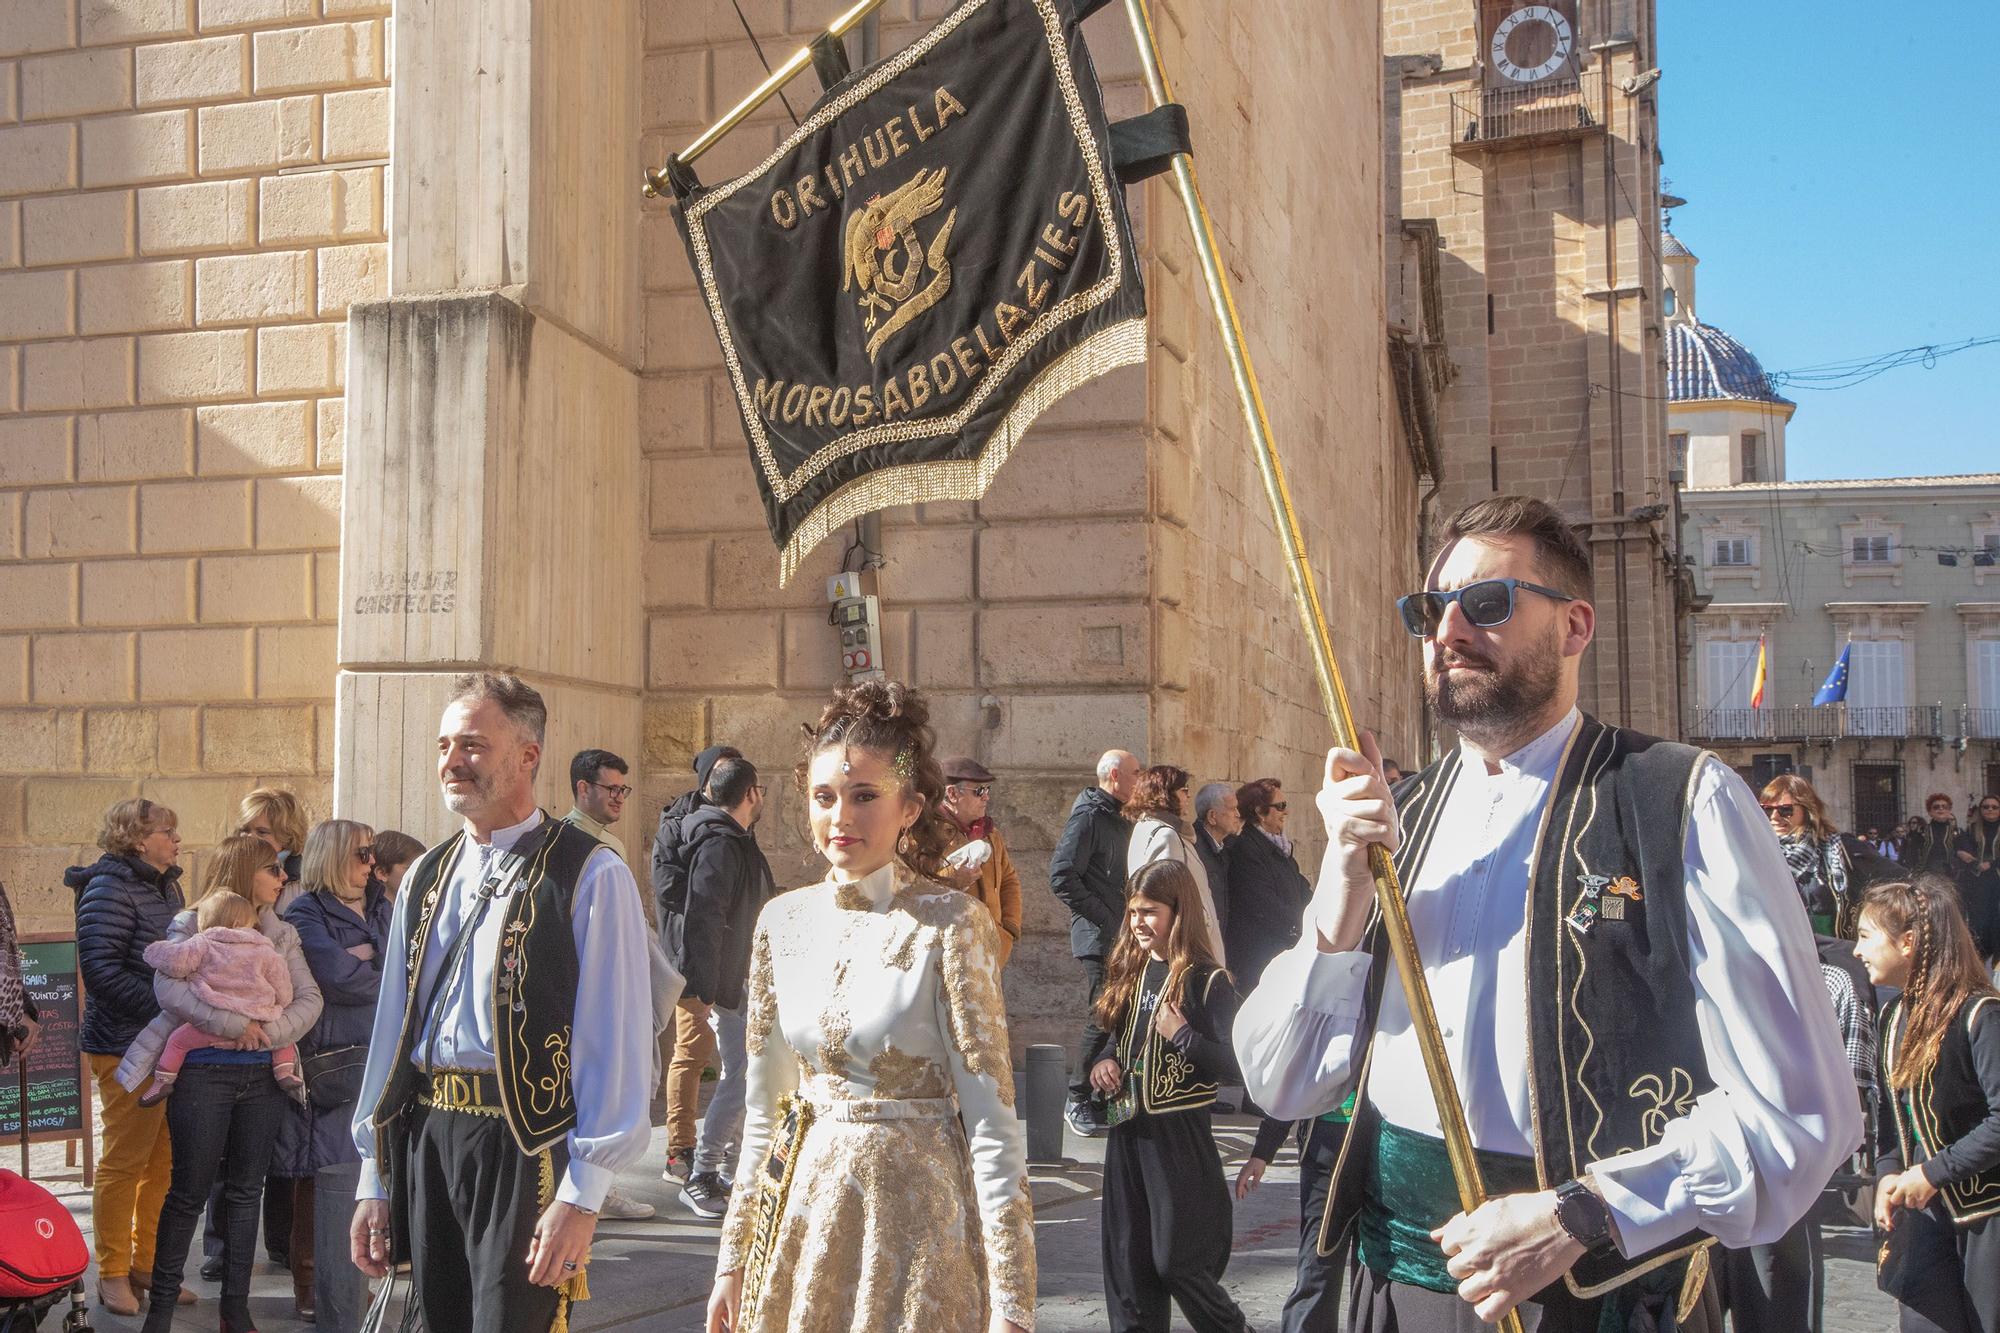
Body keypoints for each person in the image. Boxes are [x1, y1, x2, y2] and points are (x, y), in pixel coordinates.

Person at [1234, 494, 1860, 1331]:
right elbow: (1283, 1077)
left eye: (1485, 603)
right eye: (1429, 608)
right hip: (1395, 1295)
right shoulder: (1399, 818)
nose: (1447, 629)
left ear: (1574, 626)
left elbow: (1804, 1115)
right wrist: (1345, 883)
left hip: (1596, 1301)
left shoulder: (1680, 800)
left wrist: (1583, 1214)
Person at [703, 681, 1033, 1333]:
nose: (840, 818)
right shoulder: (780, 922)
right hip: (805, 1230)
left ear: (909, 807)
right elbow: (767, 1114)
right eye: (824, 797)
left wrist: (1013, 1305)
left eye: (863, 796)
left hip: (922, 1243)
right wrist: (733, 1259)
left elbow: (993, 1122)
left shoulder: (953, 924)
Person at [347, 674, 653, 1333]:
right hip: (430, 1133)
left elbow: (615, 1040)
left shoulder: (590, 872)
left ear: (527, 756)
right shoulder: (425, 876)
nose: (452, 761)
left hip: (527, 1147)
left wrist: (585, 1193)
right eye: (444, 744)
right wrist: (374, 1175)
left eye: (474, 745)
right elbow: (392, 1034)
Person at [124, 833, 323, 1331]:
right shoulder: (191, 922)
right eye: (272, 870)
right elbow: (167, 987)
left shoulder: (281, 931)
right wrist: (237, 1026)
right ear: (243, 872)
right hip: (202, 1075)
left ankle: (236, 1308)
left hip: (262, 1077)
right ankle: (162, 1311)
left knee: (245, 1193)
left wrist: (266, 1034)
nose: (283, 878)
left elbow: (309, 998)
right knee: (188, 1191)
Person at [1086, 860, 1247, 1333]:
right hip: (1128, 1132)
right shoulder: (1132, 973)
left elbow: (1239, 1063)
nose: (1138, 923)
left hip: (1179, 1140)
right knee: (1127, 1265)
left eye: (1150, 911)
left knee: (1178, 1260)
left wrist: (1184, 1037)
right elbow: (1115, 1040)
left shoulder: (1208, 980)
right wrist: (1103, 1064)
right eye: (1133, 911)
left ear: (1179, 912)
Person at [1860, 878, 2000, 1332]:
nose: (1857, 951)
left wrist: (1932, 1172)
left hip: (1987, 1218)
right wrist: (1885, 1173)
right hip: (1923, 1214)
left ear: (1908, 942)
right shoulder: (1891, 1014)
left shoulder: (1981, 1015)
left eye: (1865, 936)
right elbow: (1890, 1121)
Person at [67, 797, 188, 1318]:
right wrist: (168, 1006)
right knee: (123, 1161)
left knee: (162, 1159)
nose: (177, 840)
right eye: (168, 831)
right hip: (124, 1045)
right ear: (139, 839)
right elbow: (100, 971)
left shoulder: (165, 884)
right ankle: (111, 1273)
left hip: (163, 1042)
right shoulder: (109, 886)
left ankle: (146, 1264)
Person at [284, 817, 394, 1324]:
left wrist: (374, 964)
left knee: (365, 1173)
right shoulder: (306, 911)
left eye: (372, 853)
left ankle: (354, 1278)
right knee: (322, 1174)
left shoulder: (379, 904)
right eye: (361, 854)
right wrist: (385, 974)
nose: (372, 863)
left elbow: (407, 962)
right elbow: (338, 976)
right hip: (334, 1057)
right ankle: (312, 1281)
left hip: (379, 1050)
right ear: (331, 858)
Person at [557, 746, 660, 1223]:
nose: (620, 798)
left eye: (624, 789)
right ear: (583, 789)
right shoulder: (569, 844)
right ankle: (594, 1187)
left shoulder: (605, 844)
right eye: (610, 788)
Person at [675, 755, 776, 1220]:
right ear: (751, 794)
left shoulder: (730, 837)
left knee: (751, 1072)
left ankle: (731, 1167)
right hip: (729, 984)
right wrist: (709, 987)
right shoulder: (719, 842)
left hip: (735, 979)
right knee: (744, 1073)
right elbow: (705, 916)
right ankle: (704, 1172)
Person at [656, 743, 743, 1181]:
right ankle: (680, 1150)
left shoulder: (733, 822)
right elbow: (672, 895)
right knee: (691, 1053)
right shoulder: (677, 824)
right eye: (723, 771)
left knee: (736, 1059)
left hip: (733, 960)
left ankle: (728, 1148)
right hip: (692, 957)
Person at [134, 892, 305, 1105]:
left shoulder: (203, 943)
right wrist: (280, 1004)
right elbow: (283, 987)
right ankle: (285, 1072)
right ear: (239, 923)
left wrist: (153, 951)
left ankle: (162, 1081)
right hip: (260, 1019)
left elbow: (177, 964)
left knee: (177, 1042)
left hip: (212, 1023)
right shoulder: (265, 950)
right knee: (283, 1040)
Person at [1052, 748, 1141, 1138]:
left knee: (1120, 1015)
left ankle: (1105, 1094)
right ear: (1116, 775)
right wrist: (1108, 917)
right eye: (1136, 773)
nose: (1141, 780)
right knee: (1102, 1014)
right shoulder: (1089, 816)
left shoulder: (1120, 818)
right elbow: (1062, 876)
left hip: (1122, 936)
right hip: (1098, 936)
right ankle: (1077, 1098)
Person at [1761, 772, 1893, 938]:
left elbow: (1897, 879)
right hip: (1783, 952)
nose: (1774, 817)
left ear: (1807, 809)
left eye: (1785, 810)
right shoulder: (1757, 852)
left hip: (1832, 953)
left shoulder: (1841, 847)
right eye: (1766, 810)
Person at [1125, 765, 1225, 967]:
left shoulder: (1145, 828)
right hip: (1183, 941)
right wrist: (1200, 922)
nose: (1188, 797)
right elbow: (1166, 894)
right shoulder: (1165, 835)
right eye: (1184, 791)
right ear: (1166, 794)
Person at [938, 755, 1026, 968]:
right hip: (947, 951)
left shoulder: (990, 833)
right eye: (979, 792)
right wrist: (953, 878)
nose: (986, 797)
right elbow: (910, 887)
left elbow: (1009, 880)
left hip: (991, 948)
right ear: (952, 793)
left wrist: (1008, 930)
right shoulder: (928, 833)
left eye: (988, 790)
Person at [1225, 779, 1311, 993]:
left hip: (1284, 949)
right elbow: (1263, 904)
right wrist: (1299, 929)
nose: (1286, 812)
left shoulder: (1279, 846)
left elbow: (1301, 887)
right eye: (1280, 806)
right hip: (1262, 956)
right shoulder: (1246, 848)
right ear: (1260, 812)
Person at [239, 787, 311, 907]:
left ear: (287, 837)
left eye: (262, 832)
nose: (250, 837)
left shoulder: (303, 887)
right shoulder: (229, 869)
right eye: (245, 830)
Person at [1193, 781, 1240, 940]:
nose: (1238, 815)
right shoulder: (1194, 850)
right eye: (1232, 809)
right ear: (1213, 816)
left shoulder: (1227, 846)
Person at [564, 747, 632, 857]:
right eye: (613, 789)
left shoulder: (615, 845)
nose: (620, 799)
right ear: (584, 789)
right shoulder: (559, 841)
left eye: (622, 790)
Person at [1956, 795, 2000, 962]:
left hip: (1998, 880)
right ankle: (1978, 969)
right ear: (1980, 810)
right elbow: (1962, 849)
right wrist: (1963, 854)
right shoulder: (1972, 828)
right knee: (1979, 925)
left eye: (1994, 807)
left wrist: (1992, 863)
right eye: (1986, 807)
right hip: (1978, 882)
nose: (1990, 810)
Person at [1907, 795, 1963, 878]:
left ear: (1949, 811)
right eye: (1936, 807)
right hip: (1926, 875)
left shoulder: (1958, 832)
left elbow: (1963, 855)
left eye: (1944, 807)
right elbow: (1912, 854)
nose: (1941, 809)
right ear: (1930, 812)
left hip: (1952, 875)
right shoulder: (1922, 831)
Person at [372, 830, 427, 898]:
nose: (421, 874)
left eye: (423, 868)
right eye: (411, 868)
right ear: (382, 873)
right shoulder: (365, 907)